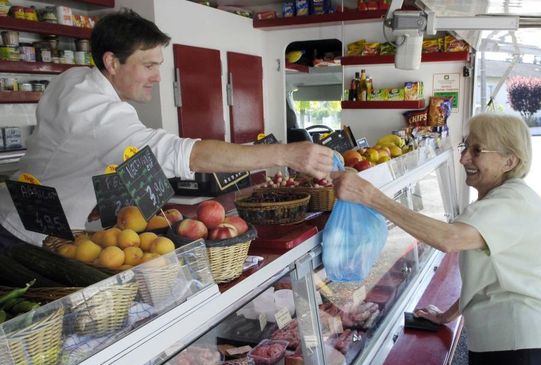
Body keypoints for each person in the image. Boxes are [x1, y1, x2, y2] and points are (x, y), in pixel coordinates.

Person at [0, 9, 333, 253]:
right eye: (148, 66)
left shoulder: (74, 78)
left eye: (159, 66)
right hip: (26, 238)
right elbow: (189, 154)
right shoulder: (100, 115)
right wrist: (286, 153)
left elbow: (69, 155)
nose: (157, 77)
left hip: (34, 218)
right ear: (112, 63)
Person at [331, 113, 541, 365]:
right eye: (466, 147)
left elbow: (448, 238)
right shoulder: (498, 201)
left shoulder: (512, 202)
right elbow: (487, 279)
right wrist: (446, 315)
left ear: (509, 161)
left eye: (477, 151)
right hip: (500, 348)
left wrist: (370, 196)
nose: (464, 158)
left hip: (520, 350)